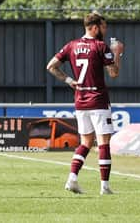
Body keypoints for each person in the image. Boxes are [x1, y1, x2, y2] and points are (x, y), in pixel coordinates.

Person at [46, 12, 123, 195]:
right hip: (98, 99)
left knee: (86, 142)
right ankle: (104, 186)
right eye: (103, 27)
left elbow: (51, 66)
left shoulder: (71, 45)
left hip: (81, 101)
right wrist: (117, 53)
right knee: (103, 143)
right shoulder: (100, 46)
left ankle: (72, 179)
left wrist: (68, 81)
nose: (104, 30)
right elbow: (113, 73)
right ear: (95, 27)